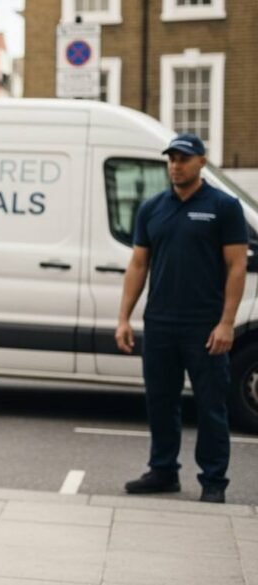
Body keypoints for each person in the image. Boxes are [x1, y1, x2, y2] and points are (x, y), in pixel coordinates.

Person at [116, 133, 247, 504]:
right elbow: (139, 264)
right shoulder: (152, 208)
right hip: (159, 323)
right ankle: (162, 470)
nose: (176, 165)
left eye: (184, 158)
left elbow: (236, 266)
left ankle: (214, 480)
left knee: (210, 406)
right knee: (160, 401)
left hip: (204, 326)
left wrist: (226, 323)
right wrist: (124, 318)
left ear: (202, 162)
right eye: (171, 158)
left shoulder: (224, 207)